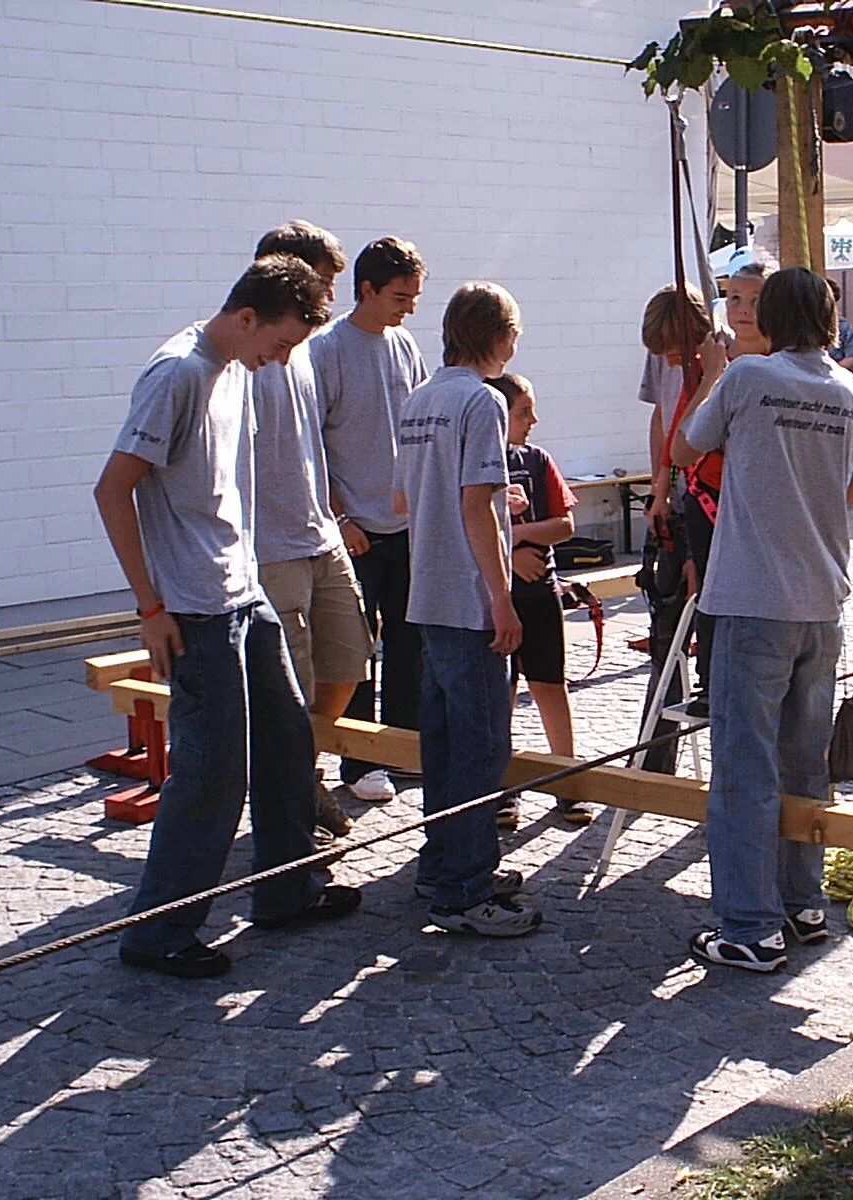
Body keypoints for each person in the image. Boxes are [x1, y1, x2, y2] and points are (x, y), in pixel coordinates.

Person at [93, 256, 361, 980]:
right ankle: (158, 933)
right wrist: (151, 606)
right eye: (281, 343)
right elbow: (112, 490)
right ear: (246, 317)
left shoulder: (240, 367)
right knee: (211, 772)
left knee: (286, 740)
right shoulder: (177, 373)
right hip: (193, 607)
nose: (283, 360)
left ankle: (286, 890)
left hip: (245, 591)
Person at [671, 266, 853, 972]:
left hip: (754, 600)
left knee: (743, 769)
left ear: (773, 318)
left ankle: (749, 928)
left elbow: (684, 450)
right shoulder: (847, 387)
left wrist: (712, 371)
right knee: (804, 764)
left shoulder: (748, 377)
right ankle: (801, 904)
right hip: (821, 602)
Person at [398, 281, 541, 937]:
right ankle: (467, 890)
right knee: (482, 748)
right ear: (499, 335)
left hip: (426, 589)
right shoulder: (483, 400)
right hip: (468, 595)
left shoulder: (420, 398)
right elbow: (475, 505)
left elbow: (404, 498)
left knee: (443, 744)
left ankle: (443, 865)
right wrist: (502, 597)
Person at [249, 221, 371, 843]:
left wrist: (338, 516)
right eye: (323, 282)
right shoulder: (248, 357)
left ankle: (306, 770)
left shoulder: (303, 353)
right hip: (271, 548)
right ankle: (293, 807)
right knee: (287, 686)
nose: (331, 296)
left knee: (350, 660)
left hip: (321, 534)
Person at [312, 237, 429, 805]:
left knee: (410, 642)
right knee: (354, 650)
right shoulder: (327, 349)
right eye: (400, 297)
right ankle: (359, 762)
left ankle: (403, 748)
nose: (409, 308)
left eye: (415, 297)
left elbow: (422, 425)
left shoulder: (405, 345)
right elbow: (309, 445)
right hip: (354, 528)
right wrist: (339, 516)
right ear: (367, 290)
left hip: (407, 525)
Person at [492, 371, 595, 828]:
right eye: (523, 412)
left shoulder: (537, 460)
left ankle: (567, 781)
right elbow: (466, 525)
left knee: (550, 685)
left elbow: (564, 525)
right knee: (501, 692)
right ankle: (502, 788)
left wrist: (517, 535)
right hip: (497, 598)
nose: (533, 420)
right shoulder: (474, 464)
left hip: (541, 595)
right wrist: (509, 555)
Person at [678, 262, 769, 718]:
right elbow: (680, 434)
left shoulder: (780, 364)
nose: (743, 310)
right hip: (708, 493)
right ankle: (711, 680)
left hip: (758, 498)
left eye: (755, 300)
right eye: (735, 299)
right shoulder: (713, 362)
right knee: (710, 587)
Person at [636, 282, 714, 773]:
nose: (667, 361)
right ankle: (653, 763)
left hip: (708, 502)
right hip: (677, 499)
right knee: (665, 638)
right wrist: (659, 487)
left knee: (706, 631)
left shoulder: (718, 362)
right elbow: (663, 419)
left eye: (674, 353)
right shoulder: (664, 352)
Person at [826, 278, 853, 369]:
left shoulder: (843, 325)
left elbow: (852, 357)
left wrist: (833, 370)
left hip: (835, 372)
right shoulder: (804, 324)